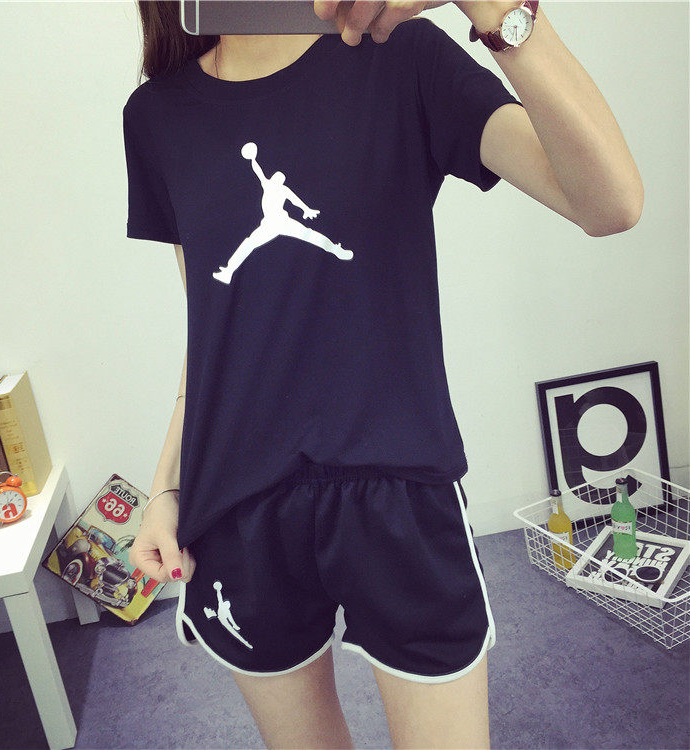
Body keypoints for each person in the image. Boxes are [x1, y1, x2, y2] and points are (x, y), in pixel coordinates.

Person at [123, 2, 642, 748]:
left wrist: (494, 8)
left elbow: (611, 204)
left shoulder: (402, 57)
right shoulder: (156, 116)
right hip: (236, 502)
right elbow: (209, 329)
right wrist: (166, 487)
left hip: (397, 487)